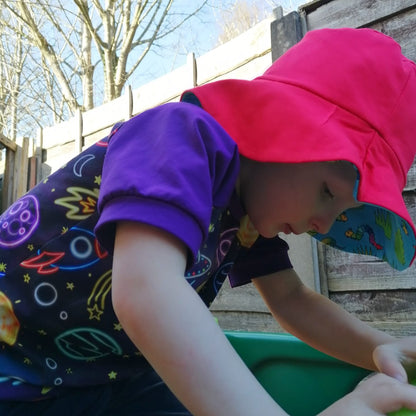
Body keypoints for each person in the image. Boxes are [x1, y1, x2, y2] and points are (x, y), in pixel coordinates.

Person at [0, 27, 415, 416]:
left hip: (108, 376)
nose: (325, 226)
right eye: (328, 192)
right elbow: (146, 291)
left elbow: (292, 300)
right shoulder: (179, 135)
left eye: (343, 215)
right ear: (278, 124)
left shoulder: (249, 214)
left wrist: (382, 347)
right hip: (13, 370)